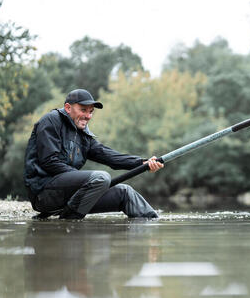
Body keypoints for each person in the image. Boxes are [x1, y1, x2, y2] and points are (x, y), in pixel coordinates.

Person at [23, 88, 164, 220]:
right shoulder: (51, 120)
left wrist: (142, 163)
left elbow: (109, 156)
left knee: (125, 192)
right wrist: (82, 182)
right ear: (68, 108)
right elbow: (49, 161)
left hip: (71, 196)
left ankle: (154, 227)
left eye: (91, 112)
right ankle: (68, 220)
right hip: (44, 195)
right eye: (83, 110)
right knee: (101, 178)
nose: (88, 116)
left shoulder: (83, 135)